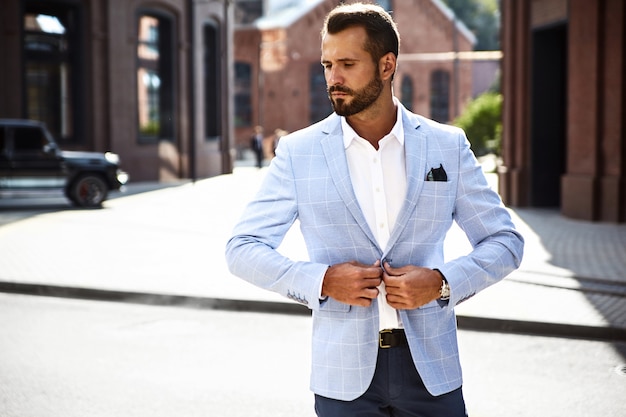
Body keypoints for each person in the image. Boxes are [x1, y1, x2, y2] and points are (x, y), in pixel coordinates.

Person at [225, 3, 524, 416]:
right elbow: (242, 248)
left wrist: (441, 282)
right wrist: (322, 281)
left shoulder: (446, 146)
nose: (333, 78)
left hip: (431, 373)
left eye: (347, 63)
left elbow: (505, 242)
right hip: (343, 378)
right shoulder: (299, 153)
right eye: (327, 64)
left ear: (387, 65)